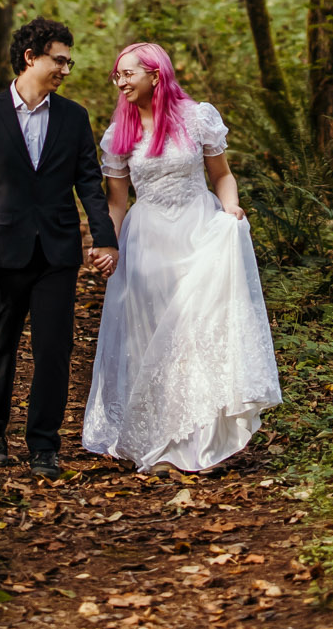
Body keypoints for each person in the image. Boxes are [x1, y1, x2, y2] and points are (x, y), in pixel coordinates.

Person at [82, 41, 280, 474]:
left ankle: (199, 443)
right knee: (150, 337)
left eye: (127, 73)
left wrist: (230, 209)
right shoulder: (119, 134)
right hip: (148, 242)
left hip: (199, 233)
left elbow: (222, 175)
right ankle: (157, 441)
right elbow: (116, 202)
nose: (120, 82)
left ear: (155, 73)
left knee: (196, 336)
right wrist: (107, 244)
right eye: (116, 76)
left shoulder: (197, 118)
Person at [0, 16, 117, 476]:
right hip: (2, 250)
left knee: (54, 348)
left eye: (69, 61)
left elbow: (89, 184)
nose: (67, 68)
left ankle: (44, 444)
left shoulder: (74, 116)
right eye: (59, 59)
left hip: (57, 253)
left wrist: (105, 238)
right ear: (31, 57)